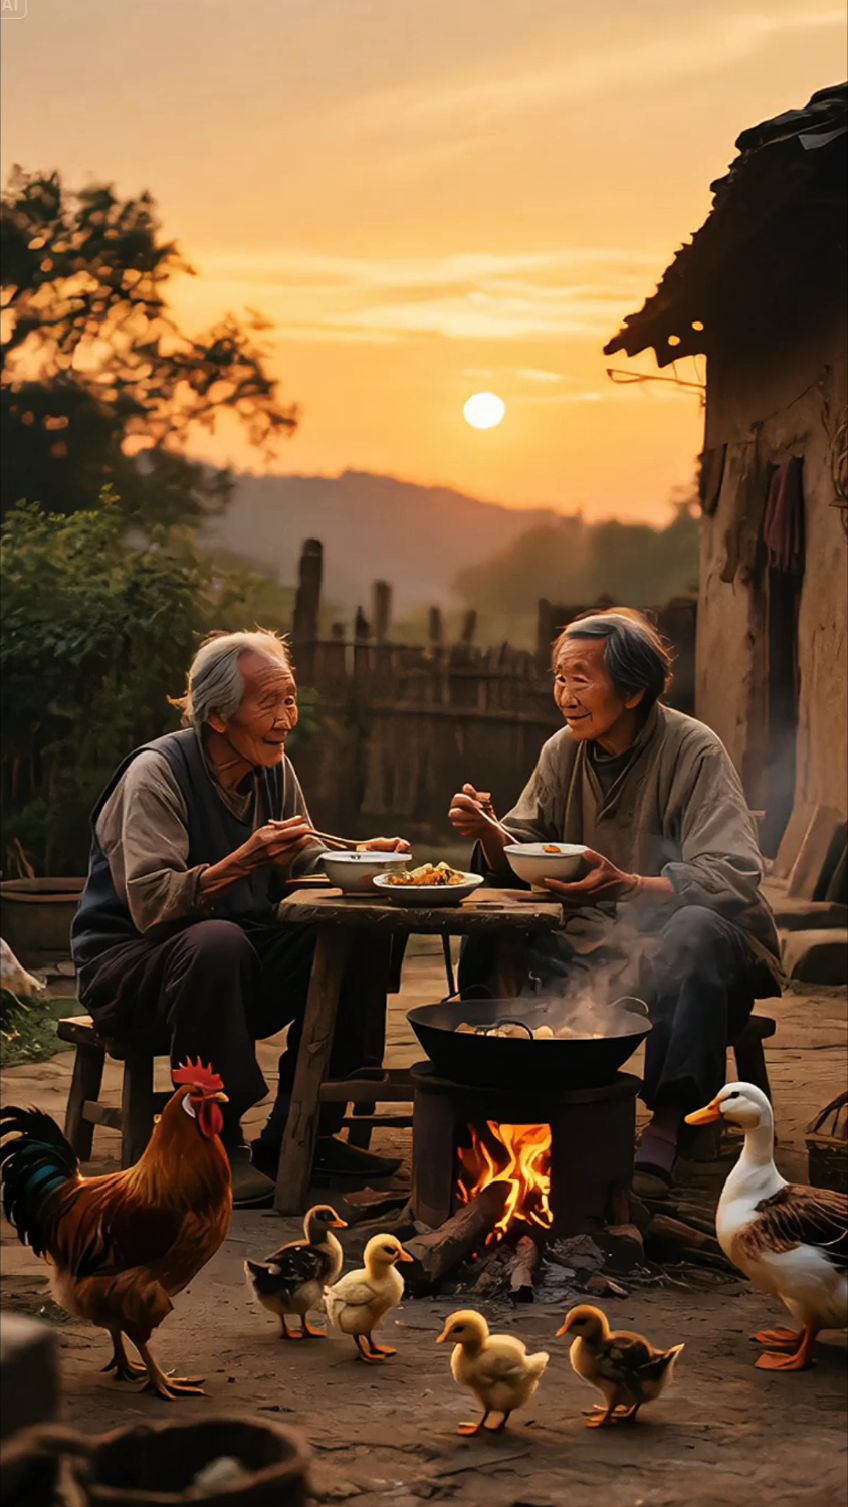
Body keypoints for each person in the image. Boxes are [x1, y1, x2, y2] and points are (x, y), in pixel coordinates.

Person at [448, 609, 782, 1196]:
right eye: (558, 677)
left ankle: (670, 1123)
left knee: (695, 931)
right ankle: (492, 1087)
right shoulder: (562, 751)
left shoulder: (693, 749)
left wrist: (628, 884)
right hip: (595, 942)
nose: (565, 695)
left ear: (633, 690)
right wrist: (489, 834)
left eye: (581, 678)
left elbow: (733, 873)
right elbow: (525, 844)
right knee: (494, 928)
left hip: (695, 949)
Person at [71, 628, 409, 1206]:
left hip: (225, 964)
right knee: (217, 941)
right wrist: (238, 864)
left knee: (359, 928)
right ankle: (214, 1145)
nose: (287, 718)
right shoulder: (157, 773)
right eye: (269, 703)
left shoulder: (272, 767)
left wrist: (353, 859)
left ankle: (306, 1132)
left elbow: (299, 852)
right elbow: (151, 905)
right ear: (220, 716)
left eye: (290, 699)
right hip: (130, 968)